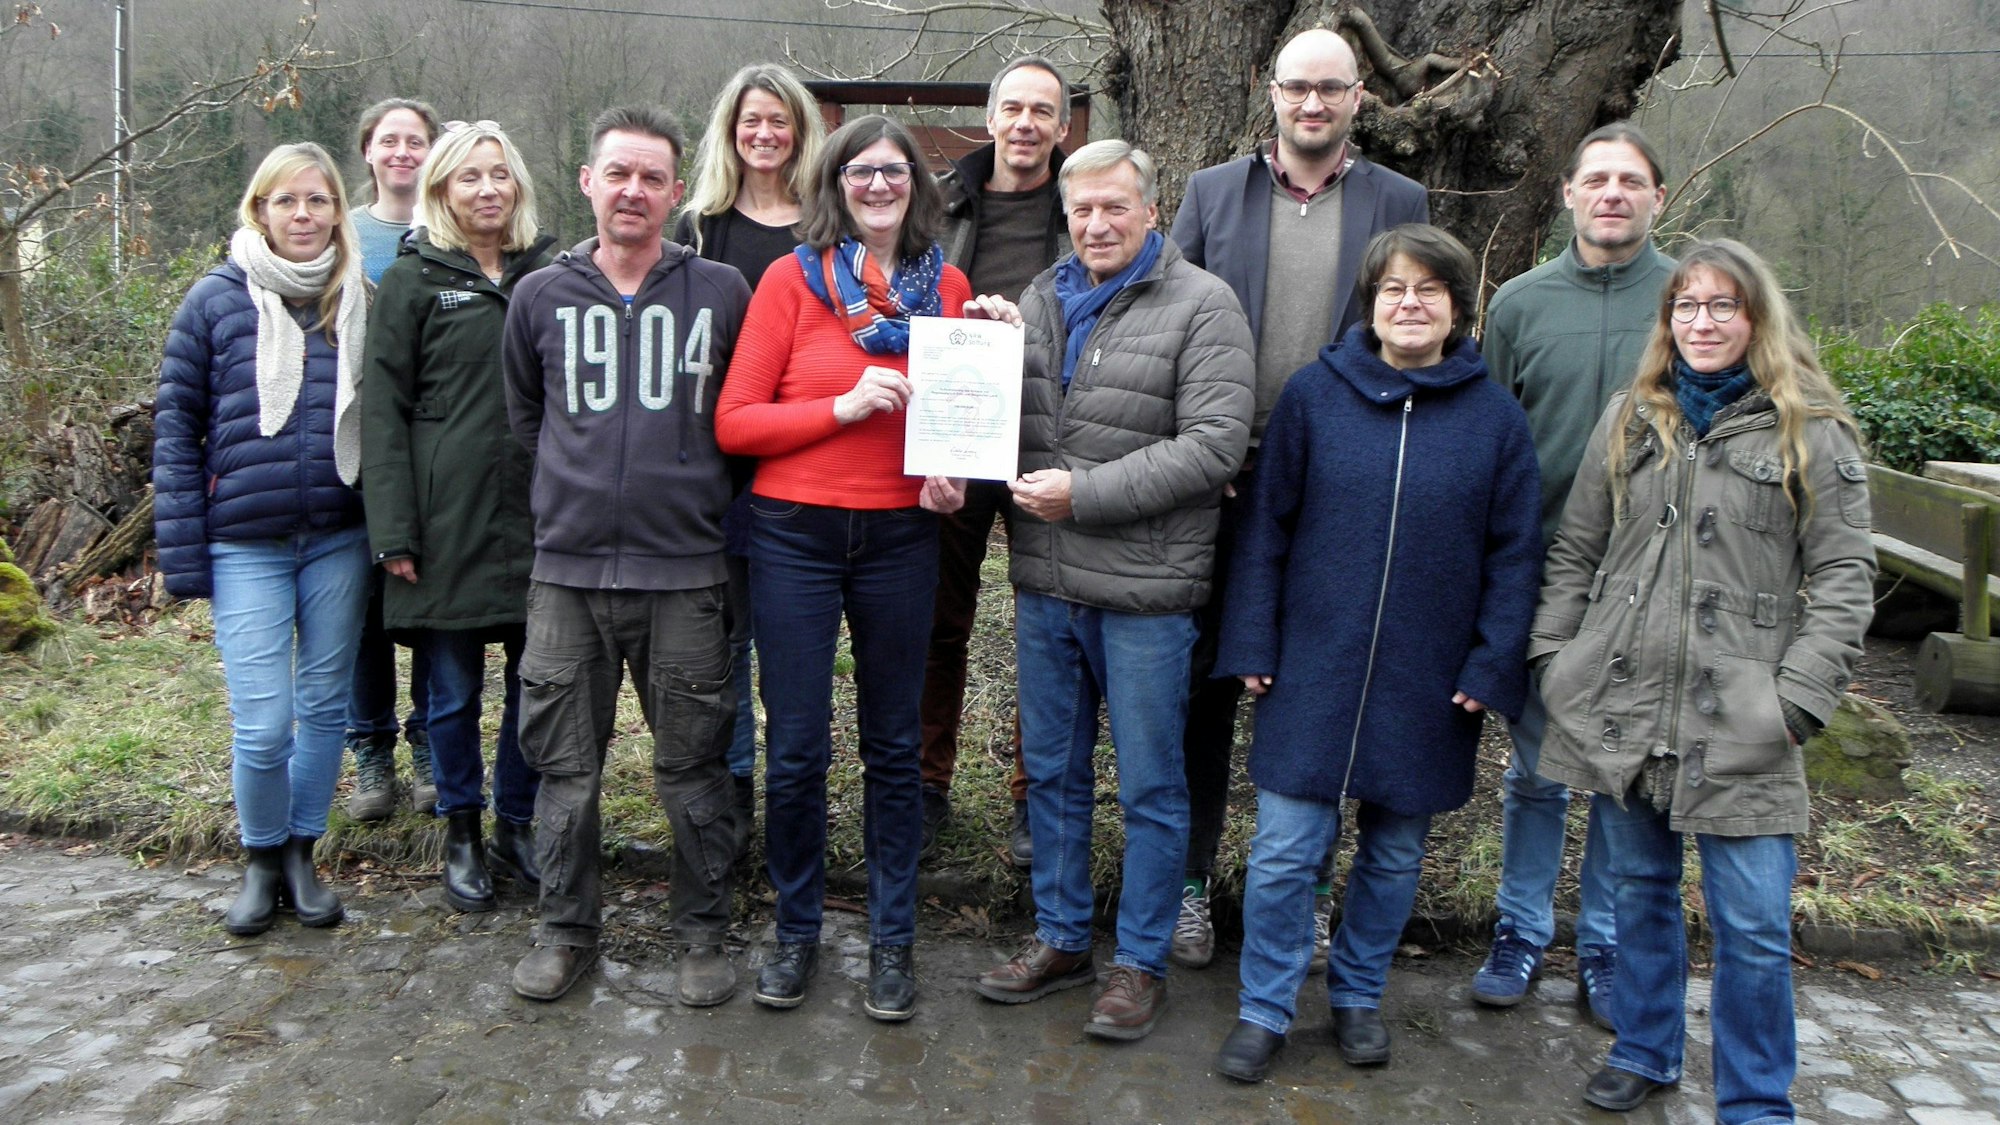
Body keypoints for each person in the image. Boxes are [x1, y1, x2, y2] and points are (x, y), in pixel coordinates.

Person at [1532, 239, 1875, 1121]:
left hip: (1746, 714)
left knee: (1753, 925)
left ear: (1757, 317)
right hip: (1627, 700)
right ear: (1668, 320)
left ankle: (1756, 1096)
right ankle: (1645, 1048)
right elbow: (1575, 548)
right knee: (1638, 895)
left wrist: (1799, 698)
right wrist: (1554, 657)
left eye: (1722, 305)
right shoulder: (1633, 416)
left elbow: (1843, 577)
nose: (1702, 322)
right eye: (1686, 306)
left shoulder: (1811, 428)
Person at [1208, 225, 1541, 1081]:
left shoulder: (1495, 418)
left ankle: (1357, 995)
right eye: (1395, 288)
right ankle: (1265, 1005)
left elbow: (1516, 552)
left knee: (1393, 853)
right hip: (1312, 664)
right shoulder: (1314, 396)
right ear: (1370, 302)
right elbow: (1263, 529)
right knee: (1285, 849)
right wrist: (1250, 634)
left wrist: (1491, 661)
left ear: (1459, 309)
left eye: (1430, 290)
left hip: (1428, 677)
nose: (1410, 304)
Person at [716, 114, 1019, 1022]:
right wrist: (840, 406)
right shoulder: (790, 279)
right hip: (794, 535)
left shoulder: (951, 285)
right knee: (798, 746)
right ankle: (797, 930)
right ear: (835, 184)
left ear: (915, 187)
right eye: (859, 172)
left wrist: (958, 458)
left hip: (899, 539)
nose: (878, 186)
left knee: (893, 747)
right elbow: (736, 422)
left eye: (893, 172)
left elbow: (961, 416)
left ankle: (893, 938)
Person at [974, 139, 1253, 1042]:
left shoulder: (1204, 305)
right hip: (1048, 583)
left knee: (1149, 786)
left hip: (1144, 595)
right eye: (1081, 209)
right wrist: (978, 362)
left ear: (1150, 209)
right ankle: (1061, 939)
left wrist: (1082, 493)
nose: (1096, 224)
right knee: (1052, 774)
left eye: (1114, 208)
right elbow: (1008, 424)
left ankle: (1139, 960)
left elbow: (1214, 445)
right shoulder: (1037, 301)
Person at [1167, 26, 1430, 971]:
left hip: (1336, 493)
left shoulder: (1399, 200)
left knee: (1316, 698)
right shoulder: (1211, 194)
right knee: (1201, 694)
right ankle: (1191, 885)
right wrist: (1203, 447)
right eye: (1295, 88)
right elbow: (1172, 319)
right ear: (1267, 91)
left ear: (1360, 96)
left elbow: (1410, 337)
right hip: (1220, 485)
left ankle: (1307, 892)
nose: (1311, 104)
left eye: (1330, 88)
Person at [502, 106, 752, 1006]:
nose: (634, 191)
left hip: (686, 571)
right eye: (619, 174)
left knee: (693, 765)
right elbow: (526, 420)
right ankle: (565, 928)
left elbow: (746, 419)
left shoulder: (722, 290)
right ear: (587, 181)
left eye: (652, 177)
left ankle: (701, 933)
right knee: (565, 767)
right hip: (565, 575)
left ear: (677, 190)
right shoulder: (538, 295)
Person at [1472, 122, 1676, 1024]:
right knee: (1538, 767)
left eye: (1631, 181)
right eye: (1597, 179)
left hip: (1653, 574)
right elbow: (1490, 435)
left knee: (1620, 773)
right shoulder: (1518, 303)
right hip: (1543, 566)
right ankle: (1520, 928)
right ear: (1568, 194)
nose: (1613, 194)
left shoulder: (1687, 298)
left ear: (1657, 198)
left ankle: (1602, 942)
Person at [153, 142, 370, 936]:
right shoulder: (213, 302)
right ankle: (257, 857)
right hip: (244, 540)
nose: (304, 215)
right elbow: (176, 432)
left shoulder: (358, 299)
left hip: (339, 536)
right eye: (287, 201)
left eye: (317, 200)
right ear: (259, 211)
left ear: (337, 210)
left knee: (322, 705)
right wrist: (183, 553)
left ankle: (301, 856)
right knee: (262, 718)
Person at [362, 122, 557, 914]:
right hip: (445, 522)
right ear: (442, 188)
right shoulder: (413, 280)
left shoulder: (548, 270)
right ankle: (462, 830)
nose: (486, 189)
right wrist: (393, 529)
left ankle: (518, 823)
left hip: (541, 516)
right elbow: (382, 409)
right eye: (469, 176)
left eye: (499, 175)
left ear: (518, 186)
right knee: (449, 694)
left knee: (534, 686)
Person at [921, 54, 1075, 868]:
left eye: (1041, 111)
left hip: (1050, 438)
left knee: (1044, 626)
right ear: (989, 118)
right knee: (939, 620)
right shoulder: (941, 201)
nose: (1024, 123)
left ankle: (1034, 795)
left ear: (1062, 125)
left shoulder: (1080, 207)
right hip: (956, 432)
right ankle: (925, 784)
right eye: (1012, 107)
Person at [674, 63, 826, 864]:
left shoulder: (825, 229)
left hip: (806, 470)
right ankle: (730, 801)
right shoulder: (698, 228)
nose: (764, 135)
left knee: (791, 652)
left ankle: (794, 802)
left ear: (801, 131)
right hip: (717, 471)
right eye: (749, 122)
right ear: (729, 133)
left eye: (779, 121)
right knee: (725, 647)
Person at [346, 96, 444, 822]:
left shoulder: (450, 233)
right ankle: (371, 754)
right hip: (356, 448)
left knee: (434, 608)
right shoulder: (344, 235)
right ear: (368, 151)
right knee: (364, 618)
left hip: (436, 451)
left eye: (417, 141)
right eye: (391, 140)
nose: (404, 152)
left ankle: (431, 750)